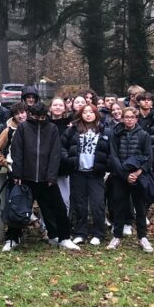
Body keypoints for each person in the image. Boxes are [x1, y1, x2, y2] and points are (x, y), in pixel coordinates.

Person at [7, 102, 73, 251]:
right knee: (18, 208)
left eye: (42, 117)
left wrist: (51, 176)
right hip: (25, 178)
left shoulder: (52, 129)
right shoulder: (23, 128)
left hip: (45, 179)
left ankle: (62, 237)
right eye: (36, 116)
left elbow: (55, 154)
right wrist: (17, 174)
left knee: (58, 209)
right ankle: (13, 238)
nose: (39, 119)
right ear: (31, 115)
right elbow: (17, 152)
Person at [62, 104, 111, 247]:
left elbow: (110, 151)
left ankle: (98, 233)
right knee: (79, 204)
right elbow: (62, 147)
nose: (88, 114)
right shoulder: (72, 131)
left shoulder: (104, 131)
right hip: (78, 173)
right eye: (85, 112)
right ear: (80, 114)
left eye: (91, 112)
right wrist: (69, 160)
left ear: (96, 114)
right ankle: (80, 233)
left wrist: (105, 166)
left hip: (96, 174)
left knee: (98, 204)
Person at [108, 107, 154, 252]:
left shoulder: (143, 135)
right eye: (126, 117)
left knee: (140, 207)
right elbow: (114, 156)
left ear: (136, 118)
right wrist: (124, 175)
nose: (129, 119)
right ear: (122, 118)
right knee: (120, 206)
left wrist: (138, 172)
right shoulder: (116, 134)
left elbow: (148, 156)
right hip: (120, 176)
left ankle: (142, 237)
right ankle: (117, 236)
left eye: (132, 117)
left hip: (138, 177)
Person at [47, 97, 72, 211]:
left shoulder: (69, 125)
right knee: (48, 198)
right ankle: (46, 225)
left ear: (65, 108)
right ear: (50, 108)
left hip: (64, 167)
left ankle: (65, 225)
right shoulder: (44, 123)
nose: (57, 107)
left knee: (65, 198)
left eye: (60, 105)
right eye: (55, 105)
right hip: (47, 166)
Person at [135, 91, 154, 176]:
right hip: (135, 154)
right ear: (138, 102)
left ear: (152, 102)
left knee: (150, 179)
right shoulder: (133, 116)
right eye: (143, 99)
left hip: (152, 154)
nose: (146, 101)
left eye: (149, 100)